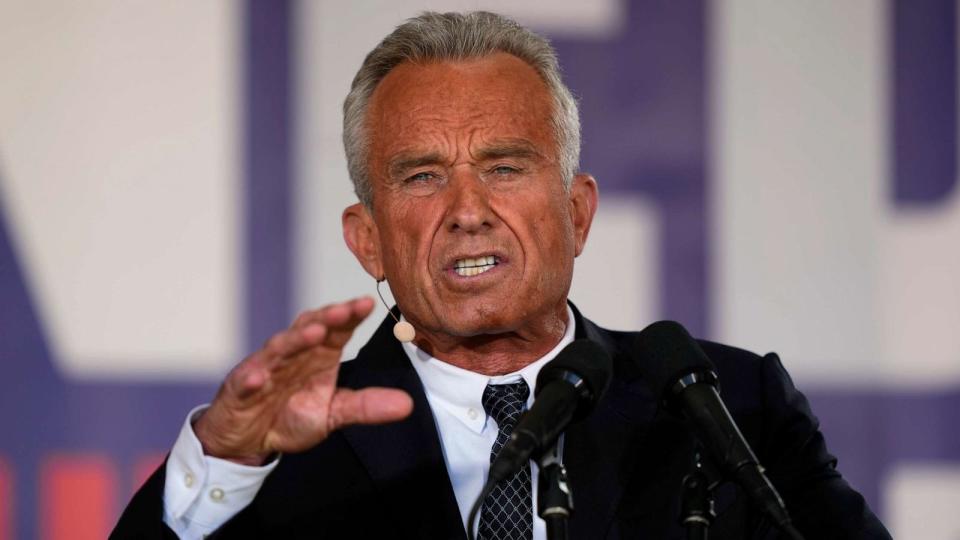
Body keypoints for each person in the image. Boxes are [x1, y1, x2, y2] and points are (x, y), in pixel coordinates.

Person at [113, 11, 890, 540]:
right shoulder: (280, 455)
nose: (468, 210)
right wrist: (222, 457)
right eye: (421, 177)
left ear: (578, 213)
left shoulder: (725, 407)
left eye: (505, 166)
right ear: (369, 241)